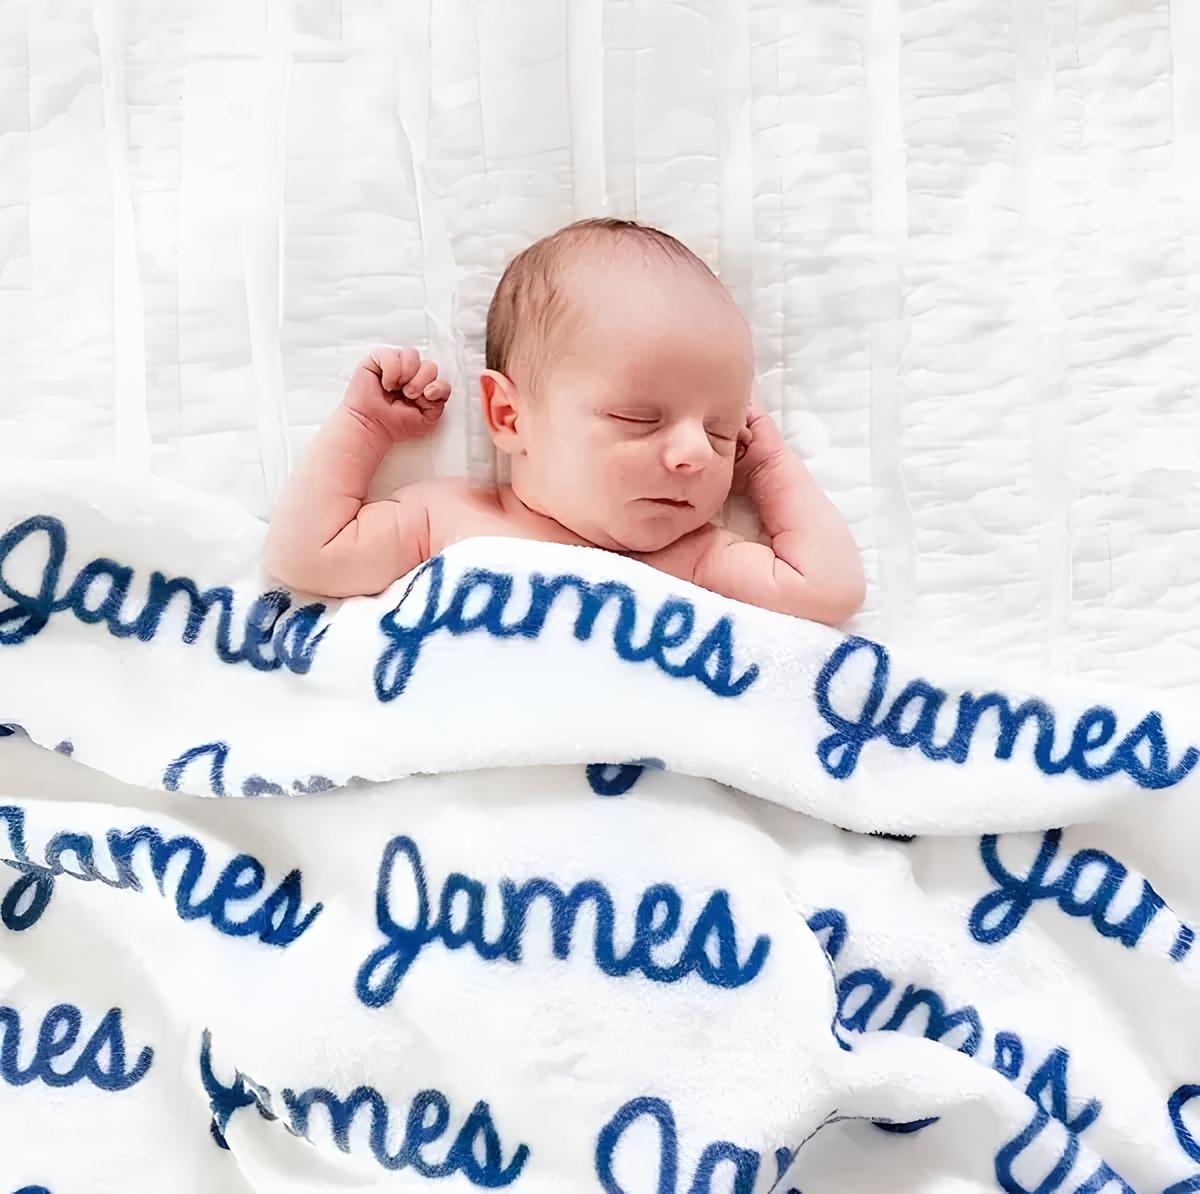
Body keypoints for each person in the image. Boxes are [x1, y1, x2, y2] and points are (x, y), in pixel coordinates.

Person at [265, 218, 864, 624]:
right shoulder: (446, 518)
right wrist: (363, 430)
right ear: (508, 415)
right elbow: (305, 556)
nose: (696, 454)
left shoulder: (696, 557)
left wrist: (771, 469)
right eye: (638, 417)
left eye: (721, 431)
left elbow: (828, 590)